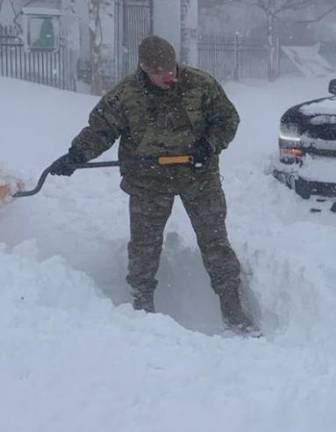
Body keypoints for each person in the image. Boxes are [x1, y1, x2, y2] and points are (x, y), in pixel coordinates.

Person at [48, 35, 255, 333]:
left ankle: (233, 309)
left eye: (171, 68)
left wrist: (208, 146)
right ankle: (142, 305)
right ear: (144, 68)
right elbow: (101, 129)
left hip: (198, 176)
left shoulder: (200, 84)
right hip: (148, 180)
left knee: (215, 241)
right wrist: (76, 155)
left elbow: (228, 119)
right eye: (160, 72)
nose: (168, 75)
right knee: (144, 245)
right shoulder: (126, 95)